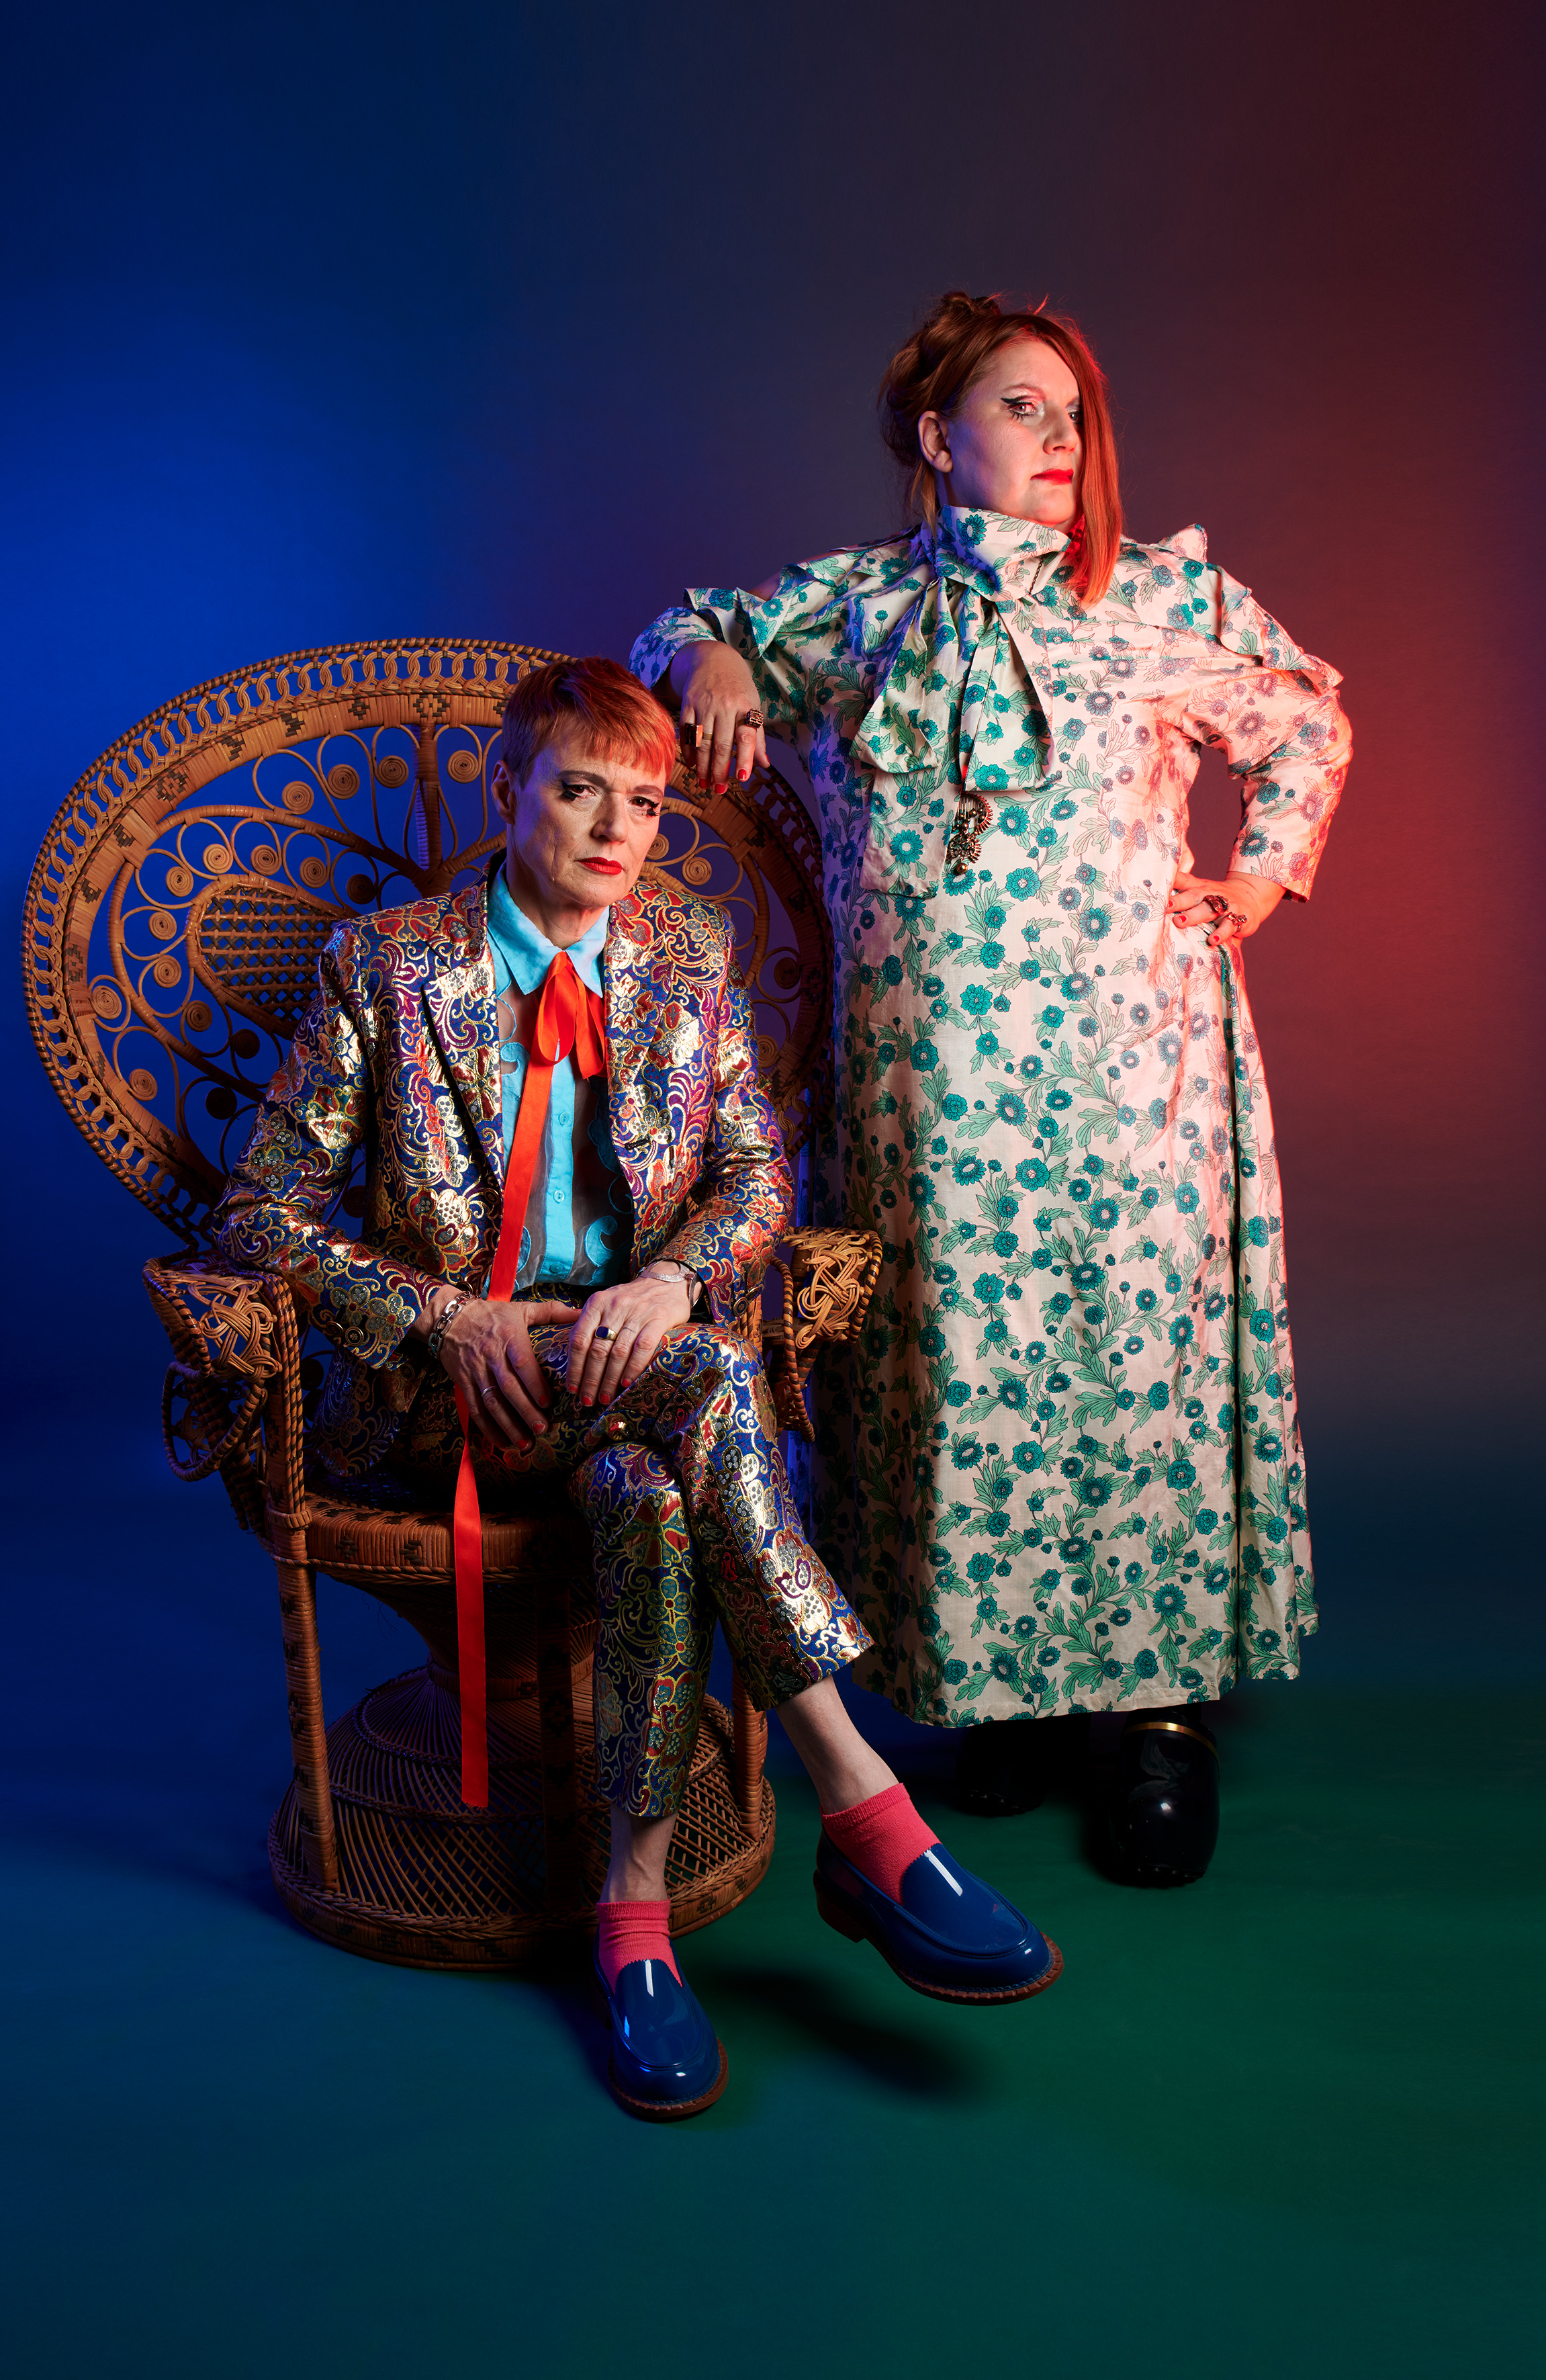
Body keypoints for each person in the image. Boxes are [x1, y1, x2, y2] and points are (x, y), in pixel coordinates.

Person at [214, 654, 1061, 2121]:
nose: (618, 829)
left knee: (648, 1494)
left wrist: (670, 1278)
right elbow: (261, 1211)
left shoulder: (681, 950)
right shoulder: (388, 964)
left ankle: (633, 1918)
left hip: (640, 1381)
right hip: (458, 1400)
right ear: (509, 790)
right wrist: (443, 1316)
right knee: (713, 1378)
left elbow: (753, 1177)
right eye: (580, 790)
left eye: (648, 802)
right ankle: (866, 1810)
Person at [631, 292, 1351, 1883]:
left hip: (1129, 1073)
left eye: (1075, 412)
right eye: (1023, 408)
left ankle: (1153, 1714)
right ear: (934, 435)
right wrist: (714, 657)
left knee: (1132, 1359)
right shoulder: (855, 608)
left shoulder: (1160, 594)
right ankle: (999, 1685)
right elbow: (671, 632)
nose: (1061, 438)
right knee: (955, 1368)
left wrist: (1258, 877)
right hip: (927, 1094)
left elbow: (1302, 720)